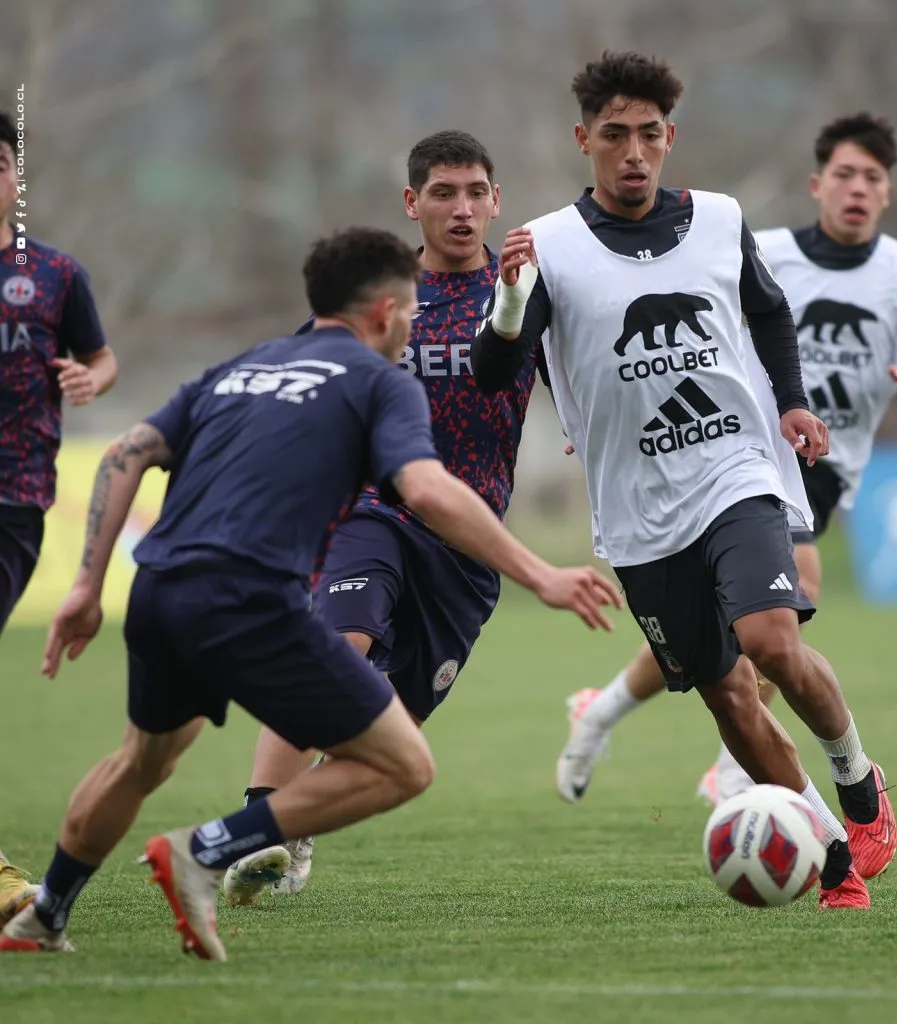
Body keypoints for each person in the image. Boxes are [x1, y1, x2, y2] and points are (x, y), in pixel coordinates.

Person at [0, 227, 620, 958]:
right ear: (386, 312)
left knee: (143, 759)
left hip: (161, 589)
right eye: (414, 309)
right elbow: (425, 490)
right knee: (404, 764)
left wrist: (85, 586)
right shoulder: (379, 380)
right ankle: (206, 848)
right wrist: (541, 574)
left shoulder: (243, 366)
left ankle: (45, 914)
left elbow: (126, 453)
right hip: (251, 602)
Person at [472, 51, 897, 909]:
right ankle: (830, 862)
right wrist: (511, 300)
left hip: (737, 468)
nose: (634, 152)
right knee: (731, 699)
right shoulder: (544, 248)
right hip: (637, 510)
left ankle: (858, 785)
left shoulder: (719, 219)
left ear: (671, 138)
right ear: (583, 139)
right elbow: (494, 371)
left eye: (650, 135)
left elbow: (769, 310)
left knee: (773, 640)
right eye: (616, 135)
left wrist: (793, 404)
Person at [558, 111, 897, 877]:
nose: (857, 189)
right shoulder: (759, 245)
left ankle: (733, 760)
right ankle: (703, 741)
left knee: (771, 629)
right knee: (748, 637)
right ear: (818, 185)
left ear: (887, 194)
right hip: (739, 440)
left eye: (873, 179)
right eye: (844, 175)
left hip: (819, 461)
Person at [222, 130, 542, 905]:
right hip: (372, 513)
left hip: (467, 547)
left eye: (475, 192)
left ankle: (295, 823)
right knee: (337, 644)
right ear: (412, 203)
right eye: (442, 192)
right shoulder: (380, 296)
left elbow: (582, 366)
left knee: (383, 732)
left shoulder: (532, 291)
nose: (461, 209)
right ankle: (256, 823)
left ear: (497, 201)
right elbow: (303, 374)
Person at [0, 109, 119, 927]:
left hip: (15, 498)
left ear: (16, 178)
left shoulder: (52, 274)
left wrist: (90, 379)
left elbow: (102, 356)